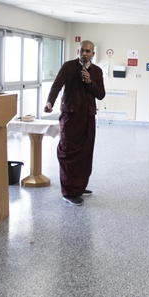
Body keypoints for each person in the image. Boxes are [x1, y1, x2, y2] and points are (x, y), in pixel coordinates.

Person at [44, 40, 106, 206]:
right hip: (70, 117)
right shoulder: (68, 67)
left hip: (88, 117)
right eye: (82, 50)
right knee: (69, 153)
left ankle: (79, 185)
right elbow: (57, 86)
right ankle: (69, 192)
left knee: (85, 153)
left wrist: (90, 81)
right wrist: (50, 102)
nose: (85, 53)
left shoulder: (97, 71)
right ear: (78, 51)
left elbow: (101, 94)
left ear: (93, 53)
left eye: (88, 51)